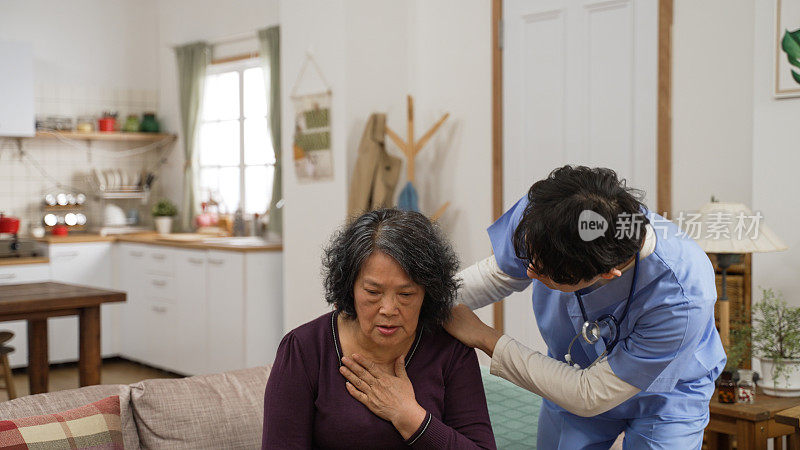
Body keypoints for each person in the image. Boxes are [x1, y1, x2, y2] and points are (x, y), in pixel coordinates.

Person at [444, 165, 726, 449]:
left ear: (607, 273)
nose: (530, 272)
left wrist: (485, 337)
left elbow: (589, 393)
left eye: (544, 274)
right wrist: (429, 297)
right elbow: (502, 273)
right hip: (571, 369)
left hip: (667, 395)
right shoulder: (552, 210)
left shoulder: (682, 296)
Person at [261, 208, 496, 449]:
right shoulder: (304, 350)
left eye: (406, 294)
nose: (388, 309)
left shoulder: (450, 351)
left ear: (428, 293)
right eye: (373, 292)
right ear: (349, 287)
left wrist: (409, 416)